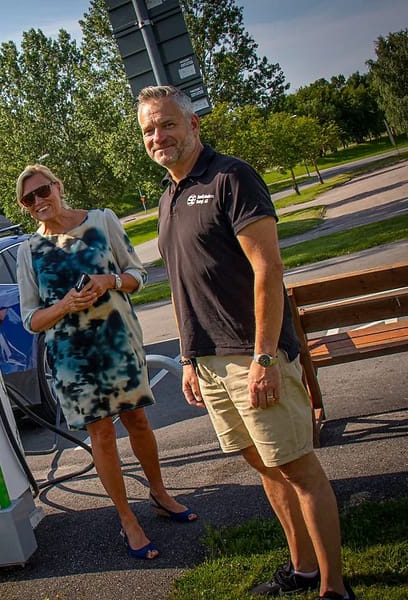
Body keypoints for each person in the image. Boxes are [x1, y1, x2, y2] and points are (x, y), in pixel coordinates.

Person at [136, 85, 354, 600]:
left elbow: (268, 268)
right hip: (209, 364)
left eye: (168, 124)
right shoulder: (169, 196)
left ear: (193, 125)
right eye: (149, 129)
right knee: (263, 465)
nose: (158, 136)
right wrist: (189, 358)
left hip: (251, 356)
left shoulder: (230, 176)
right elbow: (183, 284)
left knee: (298, 467)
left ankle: (334, 587)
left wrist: (263, 357)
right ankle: (302, 570)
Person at [15, 164, 197, 561]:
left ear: (58, 186)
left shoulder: (101, 221)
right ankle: (127, 518)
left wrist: (109, 281)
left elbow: (138, 274)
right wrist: (64, 305)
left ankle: (160, 493)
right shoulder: (28, 251)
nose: (39, 202)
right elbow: (31, 320)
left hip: (117, 344)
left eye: (43, 191)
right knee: (100, 435)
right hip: (73, 359)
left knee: (138, 421)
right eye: (28, 199)